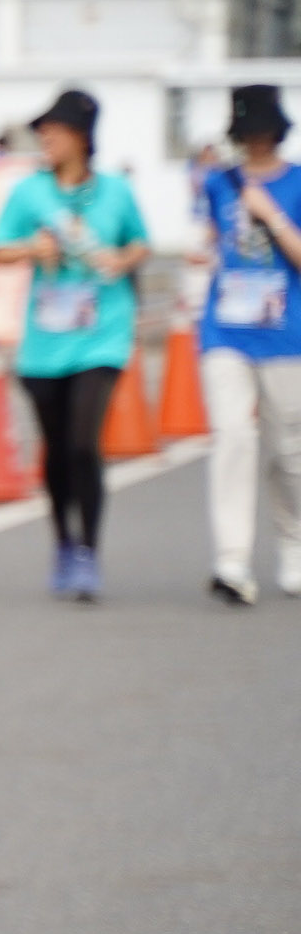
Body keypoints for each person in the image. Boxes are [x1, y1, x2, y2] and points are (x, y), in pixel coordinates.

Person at [0, 90, 149, 603]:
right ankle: (63, 541)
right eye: (41, 133)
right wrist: (33, 247)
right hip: (44, 340)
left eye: (53, 132)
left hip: (102, 334)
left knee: (84, 444)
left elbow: (140, 241)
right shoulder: (29, 192)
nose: (45, 140)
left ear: (81, 136)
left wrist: (121, 261)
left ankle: (88, 552)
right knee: (56, 449)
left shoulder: (115, 191)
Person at [197, 84, 301, 604]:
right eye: (248, 131)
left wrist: (273, 216)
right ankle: (232, 561)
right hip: (225, 329)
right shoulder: (219, 183)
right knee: (232, 436)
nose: (256, 139)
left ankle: (295, 543)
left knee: (289, 449)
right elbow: (214, 243)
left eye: (263, 130)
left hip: (286, 334)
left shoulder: (297, 181)